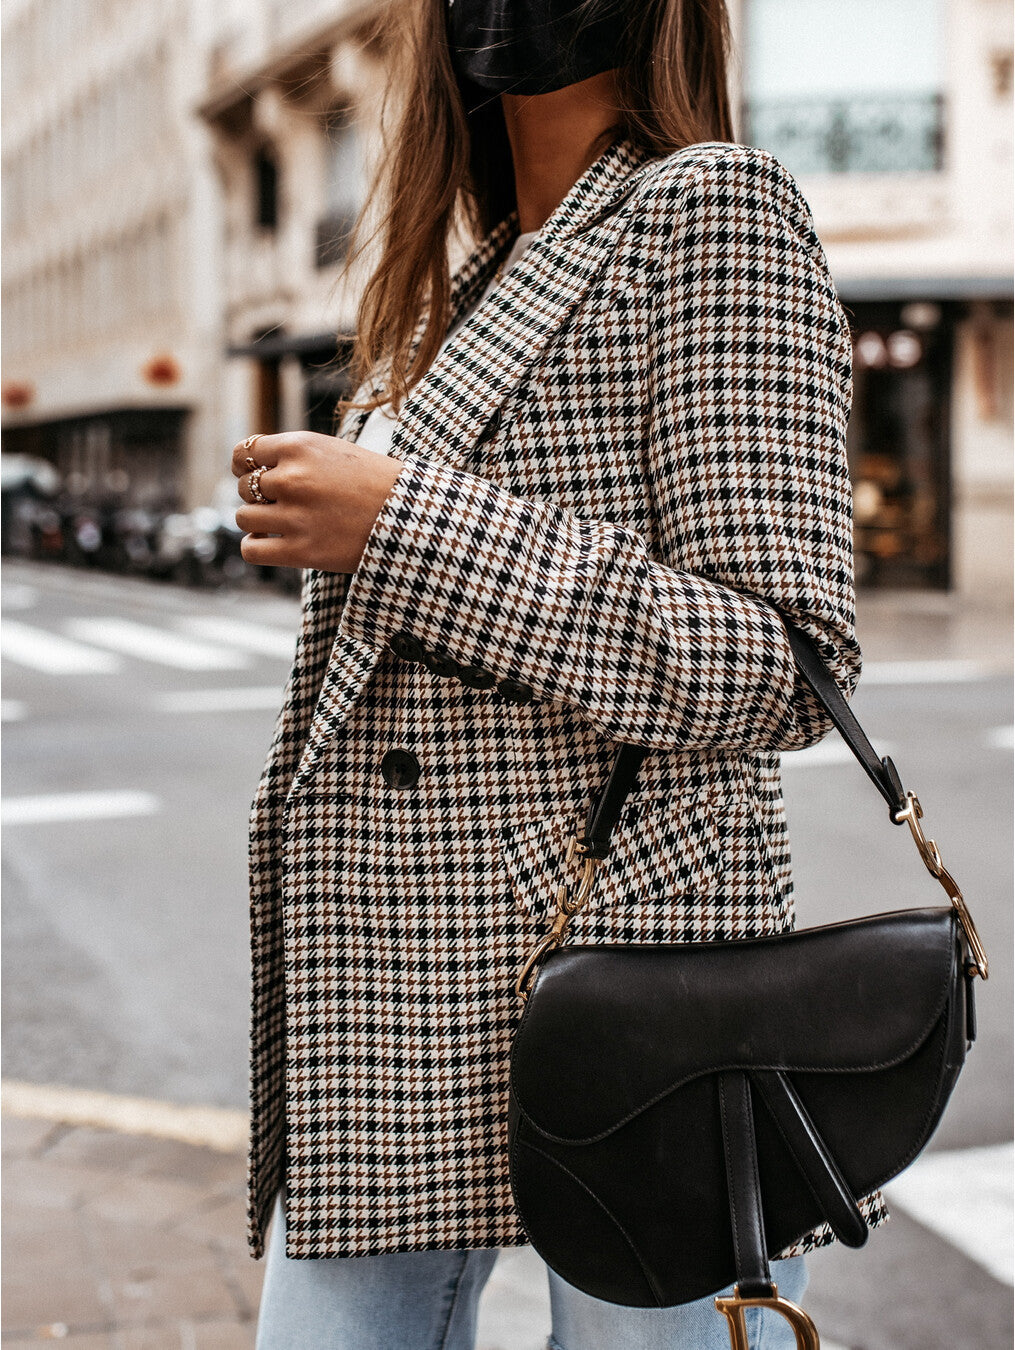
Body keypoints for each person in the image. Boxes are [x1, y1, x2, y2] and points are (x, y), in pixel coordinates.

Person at [233, 1, 880, 1345]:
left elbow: (778, 659)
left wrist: (399, 523)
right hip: (396, 997)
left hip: (629, 984)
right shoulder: (469, 278)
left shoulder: (713, 208)